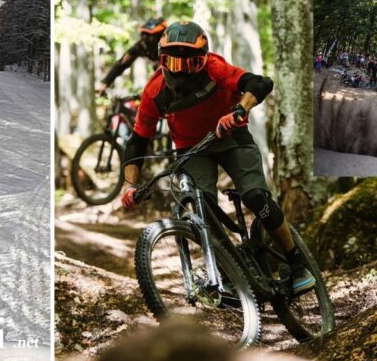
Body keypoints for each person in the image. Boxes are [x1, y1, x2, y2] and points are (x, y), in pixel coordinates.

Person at [118, 21, 315, 294]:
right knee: (202, 210)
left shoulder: (215, 67)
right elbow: (138, 140)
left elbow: (260, 83)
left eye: (190, 63)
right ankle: (228, 272)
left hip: (232, 139)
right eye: (172, 63)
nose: (181, 69)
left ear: (204, 59)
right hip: (191, 149)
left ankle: (297, 263)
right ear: (161, 60)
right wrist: (130, 185)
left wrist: (238, 111)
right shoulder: (154, 91)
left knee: (256, 197)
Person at [96, 17, 167, 96]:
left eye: (149, 37)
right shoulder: (140, 46)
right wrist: (105, 83)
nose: (145, 40)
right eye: (143, 35)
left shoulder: (171, 47)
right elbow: (121, 64)